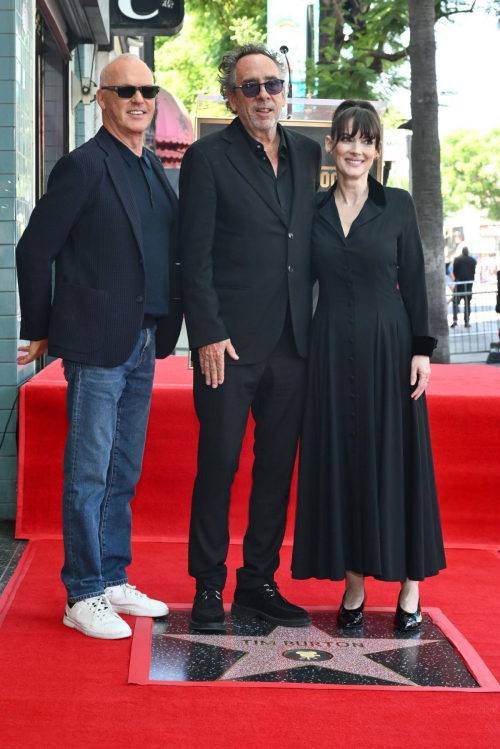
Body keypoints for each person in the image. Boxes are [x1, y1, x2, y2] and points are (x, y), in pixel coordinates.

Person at [16, 54, 182, 640]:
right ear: (101, 99)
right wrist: (38, 328)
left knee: (123, 468)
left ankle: (112, 578)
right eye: (126, 90)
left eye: (148, 90)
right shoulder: (83, 166)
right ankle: (82, 593)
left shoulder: (152, 167)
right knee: (89, 472)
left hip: (144, 339)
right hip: (94, 342)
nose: (140, 99)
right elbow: (34, 250)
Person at [180, 44, 322, 632]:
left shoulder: (308, 154)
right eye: (251, 87)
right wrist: (207, 333)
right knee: (218, 464)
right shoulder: (207, 158)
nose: (265, 96)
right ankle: (209, 587)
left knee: (275, 470)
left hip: (294, 342)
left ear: (285, 89)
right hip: (229, 347)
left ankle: (258, 582)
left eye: (274, 84)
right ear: (231, 97)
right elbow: (193, 255)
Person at [292, 100, 446, 631]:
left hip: (389, 348)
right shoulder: (310, 209)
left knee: (396, 460)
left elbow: (417, 278)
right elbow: (294, 283)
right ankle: (354, 585)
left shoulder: (397, 205)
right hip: (330, 350)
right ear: (332, 145)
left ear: (377, 149)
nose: (356, 149)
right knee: (346, 462)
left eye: (366, 140)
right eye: (346, 138)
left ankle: (410, 588)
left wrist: (421, 348)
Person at [451, 247, 477, 328]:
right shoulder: (472, 260)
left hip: (459, 284)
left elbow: (455, 272)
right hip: (468, 285)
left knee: (455, 303)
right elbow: (473, 272)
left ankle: (455, 320)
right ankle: (466, 322)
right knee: (467, 304)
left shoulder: (457, 260)